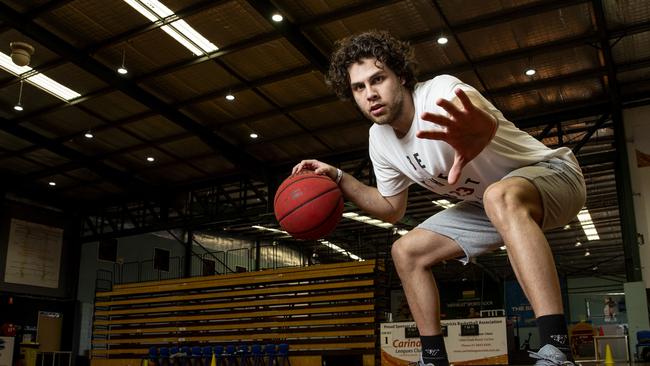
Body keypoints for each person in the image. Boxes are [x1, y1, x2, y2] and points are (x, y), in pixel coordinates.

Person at [291, 31, 585, 366]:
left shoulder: (440, 93)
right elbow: (390, 209)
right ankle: (432, 357)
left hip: (555, 176)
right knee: (406, 251)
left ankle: (557, 349)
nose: (370, 94)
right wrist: (340, 178)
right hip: (488, 205)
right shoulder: (380, 139)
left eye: (378, 79)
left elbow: (477, 116)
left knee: (498, 194)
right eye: (359, 87)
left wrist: (481, 131)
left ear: (400, 75)